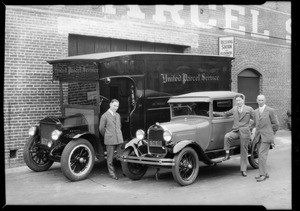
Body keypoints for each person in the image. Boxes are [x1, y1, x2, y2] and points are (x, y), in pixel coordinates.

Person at [213, 94, 254, 177]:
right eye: (237, 101)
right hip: (235, 131)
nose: (238, 102)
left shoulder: (249, 109)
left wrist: (250, 127)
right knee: (227, 136)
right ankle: (227, 154)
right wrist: (213, 113)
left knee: (244, 151)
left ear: (243, 100)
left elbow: (256, 118)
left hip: (245, 132)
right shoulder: (234, 109)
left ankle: (243, 170)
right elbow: (225, 114)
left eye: (239, 100)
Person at [253, 94, 279, 182]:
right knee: (261, 156)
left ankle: (262, 175)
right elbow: (255, 124)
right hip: (258, 137)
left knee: (262, 155)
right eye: (259, 100)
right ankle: (265, 173)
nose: (260, 102)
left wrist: (271, 133)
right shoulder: (255, 111)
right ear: (256, 100)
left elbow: (276, 124)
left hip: (266, 137)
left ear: (265, 100)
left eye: (262, 100)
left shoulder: (270, 110)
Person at [99, 99, 124, 180]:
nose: (116, 107)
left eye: (117, 106)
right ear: (110, 105)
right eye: (114, 105)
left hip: (119, 139)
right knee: (110, 159)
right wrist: (107, 135)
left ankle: (124, 172)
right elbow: (101, 129)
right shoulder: (104, 116)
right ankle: (112, 174)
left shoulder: (118, 115)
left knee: (121, 157)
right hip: (110, 139)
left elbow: (119, 126)